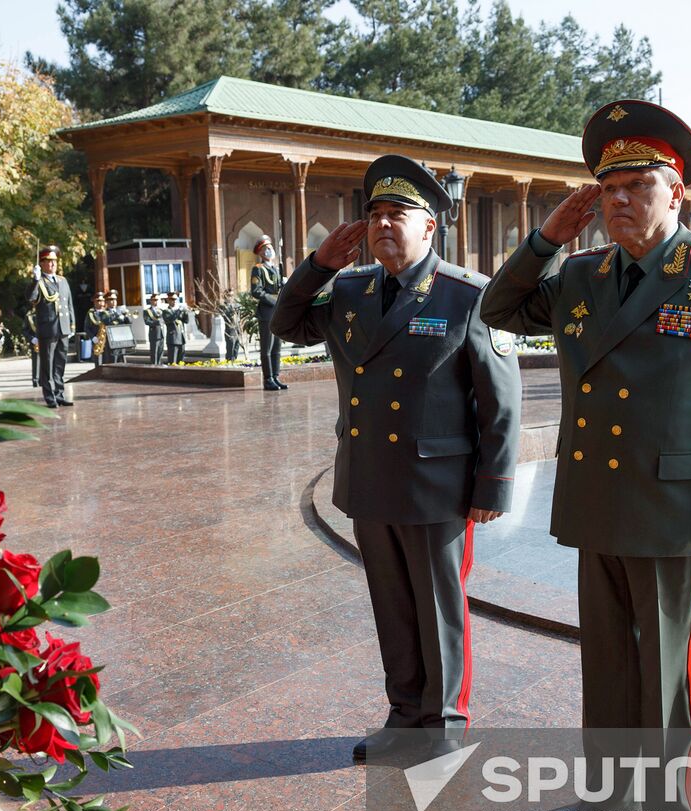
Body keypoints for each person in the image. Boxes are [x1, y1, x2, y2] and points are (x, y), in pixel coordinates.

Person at [480, 99, 691, 811]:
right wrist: (548, 234)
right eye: (607, 189)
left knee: (667, 673)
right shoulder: (579, 277)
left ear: (677, 195)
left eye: (639, 186)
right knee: (608, 663)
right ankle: (611, 795)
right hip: (597, 502)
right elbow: (497, 307)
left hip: (675, 511)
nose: (619, 201)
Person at [272, 154, 521, 765]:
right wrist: (318, 265)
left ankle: (446, 724)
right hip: (370, 479)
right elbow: (285, 324)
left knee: (438, 607)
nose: (384, 224)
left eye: (398, 214)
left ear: (430, 226)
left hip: (437, 483)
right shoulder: (351, 289)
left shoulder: (467, 295)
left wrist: (492, 487)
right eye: (375, 214)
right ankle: (404, 714)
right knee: (391, 605)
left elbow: (500, 401)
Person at [28, 244, 75, 408]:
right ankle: (50, 397)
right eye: (48, 261)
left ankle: (59, 394)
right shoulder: (40, 281)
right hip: (48, 330)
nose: (52, 264)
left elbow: (69, 304)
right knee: (47, 365)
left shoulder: (63, 281)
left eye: (54, 261)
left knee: (60, 364)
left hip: (63, 328)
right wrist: (35, 280)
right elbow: (32, 298)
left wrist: (71, 326)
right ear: (42, 263)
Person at [251, 235, 287, 390]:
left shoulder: (276, 268)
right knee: (267, 348)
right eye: (266, 248)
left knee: (276, 348)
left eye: (271, 247)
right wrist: (275, 300)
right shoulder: (258, 269)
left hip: (278, 312)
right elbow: (256, 291)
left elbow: (279, 289)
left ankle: (276, 376)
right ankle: (268, 379)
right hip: (266, 312)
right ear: (261, 252)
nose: (270, 250)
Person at [218, 288, 243, 361]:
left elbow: (240, 316)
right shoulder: (223, 306)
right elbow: (224, 314)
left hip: (237, 328)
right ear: (225, 296)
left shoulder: (236, 305)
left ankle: (235, 359)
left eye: (232, 295)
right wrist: (231, 309)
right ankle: (229, 361)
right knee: (230, 347)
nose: (231, 297)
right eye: (229, 295)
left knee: (236, 346)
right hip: (230, 330)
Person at [164, 290, 188, 364]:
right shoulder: (166, 311)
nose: (174, 301)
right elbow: (171, 319)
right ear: (168, 300)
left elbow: (186, 321)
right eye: (172, 299)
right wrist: (179, 310)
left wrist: (186, 312)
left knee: (181, 362)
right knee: (172, 362)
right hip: (173, 339)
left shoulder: (179, 310)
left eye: (175, 299)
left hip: (181, 338)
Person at [143, 293, 166, 364]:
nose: (156, 301)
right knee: (154, 353)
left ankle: (158, 366)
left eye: (157, 300)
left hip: (161, 334)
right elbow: (147, 322)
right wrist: (157, 322)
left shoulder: (162, 310)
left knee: (160, 351)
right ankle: (153, 367)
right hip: (154, 334)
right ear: (151, 301)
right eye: (155, 300)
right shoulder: (147, 311)